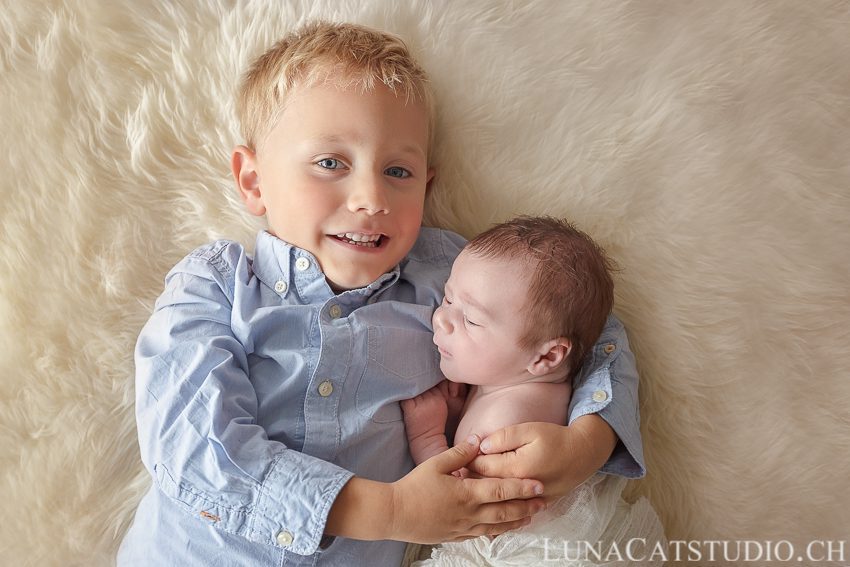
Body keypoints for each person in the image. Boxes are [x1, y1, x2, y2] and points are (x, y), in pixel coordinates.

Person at [117, 22, 645, 567]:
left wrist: (586, 444)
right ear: (253, 181)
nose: (372, 198)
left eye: (398, 171)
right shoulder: (213, 287)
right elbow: (193, 448)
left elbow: (584, 320)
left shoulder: (447, 277)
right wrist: (392, 511)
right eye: (330, 163)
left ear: (426, 187)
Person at [403, 216, 665, 566]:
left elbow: (461, 502)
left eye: (472, 320)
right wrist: (457, 416)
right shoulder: (520, 388)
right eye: (448, 299)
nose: (441, 318)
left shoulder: (508, 418)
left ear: (546, 356)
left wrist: (427, 437)